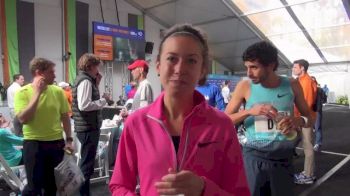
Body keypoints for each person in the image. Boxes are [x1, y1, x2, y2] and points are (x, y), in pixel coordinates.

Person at [109, 24, 250, 196]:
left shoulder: (221, 126)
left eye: (191, 60)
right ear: (159, 66)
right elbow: (119, 185)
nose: (180, 68)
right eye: (172, 58)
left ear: (202, 70)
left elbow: (240, 192)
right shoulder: (137, 123)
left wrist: (203, 189)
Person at [225, 41, 314, 196]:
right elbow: (224, 120)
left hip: (284, 159)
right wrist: (250, 112)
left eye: (254, 67)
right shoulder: (245, 86)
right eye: (247, 67)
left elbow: (309, 117)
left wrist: (298, 121)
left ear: (271, 65)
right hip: (253, 157)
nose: (248, 73)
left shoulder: (291, 85)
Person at [14, 57, 73, 195]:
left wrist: (69, 140)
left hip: (56, 144)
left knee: (52, 186)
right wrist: (37, 93)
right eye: (51, 72)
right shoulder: (22, 93)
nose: (55, 75)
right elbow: (23, 119)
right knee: (34, 187)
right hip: (34, 144)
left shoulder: (58, 92)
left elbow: (65, 117)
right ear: (39, 73)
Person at [72, 53, 111, 196]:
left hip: (86, 127)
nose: (98, 70)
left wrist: (96, 84)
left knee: (86, 163)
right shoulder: (86, 81)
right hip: (88, 128)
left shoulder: (86, 80)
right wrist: (103, 100)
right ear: (90, 66)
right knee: (86, 166)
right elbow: (84, 105)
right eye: (96, 67)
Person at [292, 59, 318, 184]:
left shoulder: (306, 82)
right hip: (300, 118)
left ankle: (308, 175)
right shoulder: (300, 81)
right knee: (296, 142)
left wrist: (298, 120)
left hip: (305, 119)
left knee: (307, 146)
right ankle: (307, 172)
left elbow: (306, 104)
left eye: (295, 67)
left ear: (302, 68)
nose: (293, 69)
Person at [311, 76, 325, 152]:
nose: (312, 83)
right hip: (308, 111)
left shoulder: (320, 90)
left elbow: (324, 98)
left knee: (318, 128)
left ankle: (318, 144)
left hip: (317, 111)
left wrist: (319, 104)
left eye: (313, 81)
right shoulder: (307, 90)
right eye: (311, 81)